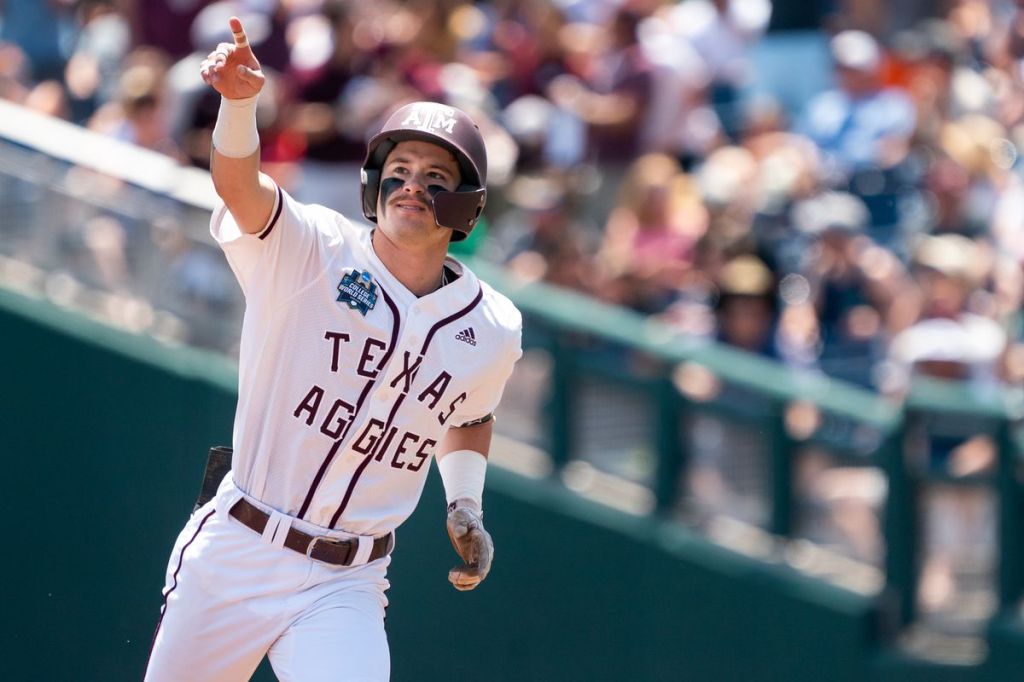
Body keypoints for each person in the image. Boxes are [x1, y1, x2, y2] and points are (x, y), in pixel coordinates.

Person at [144, 17, 523, 682]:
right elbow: (239, 186)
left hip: (346, 580)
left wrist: (465, 502)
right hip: (239, 547)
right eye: (399, 170)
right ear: (373, 184)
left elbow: (469, 415)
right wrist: (240, 106)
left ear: (465, 205)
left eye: (435, 176)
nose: (412, 185)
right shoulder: (313, 247)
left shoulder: (492, 326)